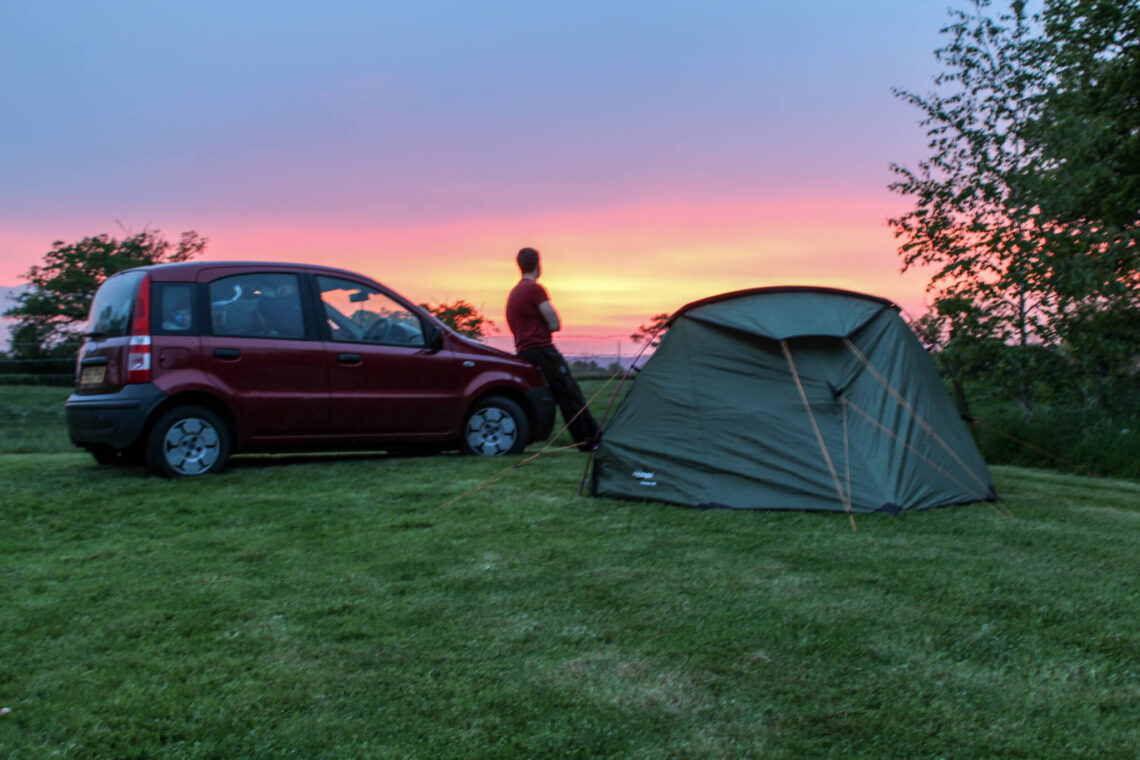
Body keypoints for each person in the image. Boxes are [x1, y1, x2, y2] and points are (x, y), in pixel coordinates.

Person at [506, 247, 601, 452]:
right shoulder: (534, 289)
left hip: (524, 351)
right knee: (570, 393)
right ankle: (590, 441)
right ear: (538, 265)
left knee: (560, 394)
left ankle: (591, 439)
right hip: (542, 350)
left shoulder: (514, 293)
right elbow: (554, 322)